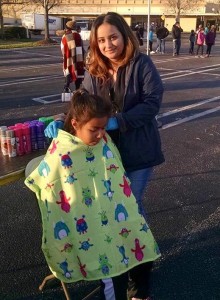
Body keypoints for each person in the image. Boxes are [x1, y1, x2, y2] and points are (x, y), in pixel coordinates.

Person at [44, 11, 165, 300]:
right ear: (95, 43)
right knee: (113, 212)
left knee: (130, 211)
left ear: (124, 36)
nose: (108, 44)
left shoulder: (141, 64)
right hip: (105, 155)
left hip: (138, 152)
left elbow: (152, 103)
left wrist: (118, 121)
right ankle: (121, 262)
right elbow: (83, 106)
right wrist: (61, 124)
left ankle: (140, 278)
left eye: (113, 37)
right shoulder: (96, 68)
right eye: (101, 40)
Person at [26, 89, 161, 300]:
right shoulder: (62, 151)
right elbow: (42, 182)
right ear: (75, 124)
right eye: (94, 129)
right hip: (90, 224)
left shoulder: (103, 142)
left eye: (104, 128)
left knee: (142, 247)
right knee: (112, 268)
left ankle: (138, 294)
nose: (101, 134)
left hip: (116, 213)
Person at [61, 21, 85, 90]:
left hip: (68, 58)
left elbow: (62, 48)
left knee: (68, 71)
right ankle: (77, 89)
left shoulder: (65, 36)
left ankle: (66, 88)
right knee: (78, 73)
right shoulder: (77, 35)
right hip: (78, 59)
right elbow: (81, 48)